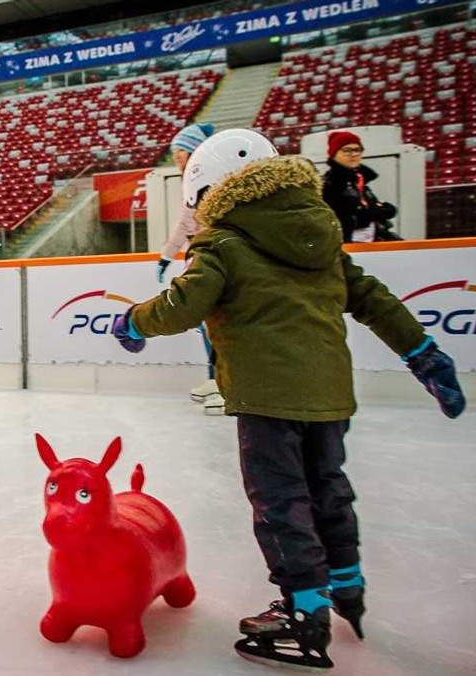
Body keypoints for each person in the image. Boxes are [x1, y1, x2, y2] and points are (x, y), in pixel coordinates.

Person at [111, 129, 465, 670]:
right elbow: (373, 298)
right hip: (329, 395)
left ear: (213, 191)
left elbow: (182, 305)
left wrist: (132, 320)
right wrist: (424, 354)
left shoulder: (223, 243)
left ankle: (304, 612)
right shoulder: (320, 234)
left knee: (280, 502)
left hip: (266, 398)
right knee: (328, 485)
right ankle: (347, 583)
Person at [158, 122, 222, 415]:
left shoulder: (211, 179)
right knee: (206, 323)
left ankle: (226, 383)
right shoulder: (192, 181)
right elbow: (185, 223)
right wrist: (168, 256)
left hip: (214, 256)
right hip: (198, 256)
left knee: (217, 324)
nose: (176, 158)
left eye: (180, 151)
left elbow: (192, 223)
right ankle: (216, 377)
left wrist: (168, 255)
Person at [321, 130, 400, 243]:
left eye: (357, 150)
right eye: (347, 151)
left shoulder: (359, 180)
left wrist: (384, 211)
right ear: (334, 154)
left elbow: (368, 209)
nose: (353, 155)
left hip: (373, 243)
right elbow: (334, 221)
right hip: (347, 247)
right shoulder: (329, 184)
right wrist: (370, 215)